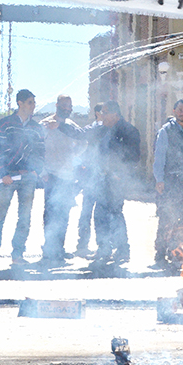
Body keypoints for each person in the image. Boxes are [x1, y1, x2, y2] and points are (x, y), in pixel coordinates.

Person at [58, 100, 141, 265]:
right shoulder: (101, 129)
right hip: (100, 178)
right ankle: (104, 249)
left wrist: (119, 173)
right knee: (100, 215)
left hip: (116, 180)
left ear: (114, 114)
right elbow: (81, 134)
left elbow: (134, 157)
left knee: (115, 214)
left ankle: (122, 249)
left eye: (104, 113)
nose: (101, 116)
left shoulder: (129, 131)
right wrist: (60, 125)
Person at [0, 89, 45, 268]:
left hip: (28, 178)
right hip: (7, 178)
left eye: (34, 103)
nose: (33, 106)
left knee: (25, 218)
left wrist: (36, 171)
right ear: (20, 103)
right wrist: (3, 173)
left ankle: (17, 255)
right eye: (30, 103)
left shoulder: (36, 127)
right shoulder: (5, 124)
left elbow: (41, 151)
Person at [153, 99, 183, 267]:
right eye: (180, 109)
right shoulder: (166, 131)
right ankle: (160, 252)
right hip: (169, 181)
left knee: (182, 217)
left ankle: (176, 250)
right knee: (167, 216)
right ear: (174, 111)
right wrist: (159, 179)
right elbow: (159, 157)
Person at [39, 95, 86, 265]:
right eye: (64, 105)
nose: (67, 108)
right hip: (50, 175)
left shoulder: (72, 126)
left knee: (64, 213)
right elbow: (37, 148)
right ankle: (48, 250)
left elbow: (83, 141)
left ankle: (59, 249)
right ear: (57, 105)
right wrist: (42, 171)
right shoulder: (45, 125)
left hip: (67, 177)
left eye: (70, 106)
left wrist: (74, 156)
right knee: (50, 213)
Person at [74, 103, 104, 258]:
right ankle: (82, 244)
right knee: (86, 211)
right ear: (98, 113)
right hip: (90, 177)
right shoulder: (90, 129)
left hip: (104, 177)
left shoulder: (111, 129)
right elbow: (79, 148)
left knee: (103, 212)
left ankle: (104, 245)